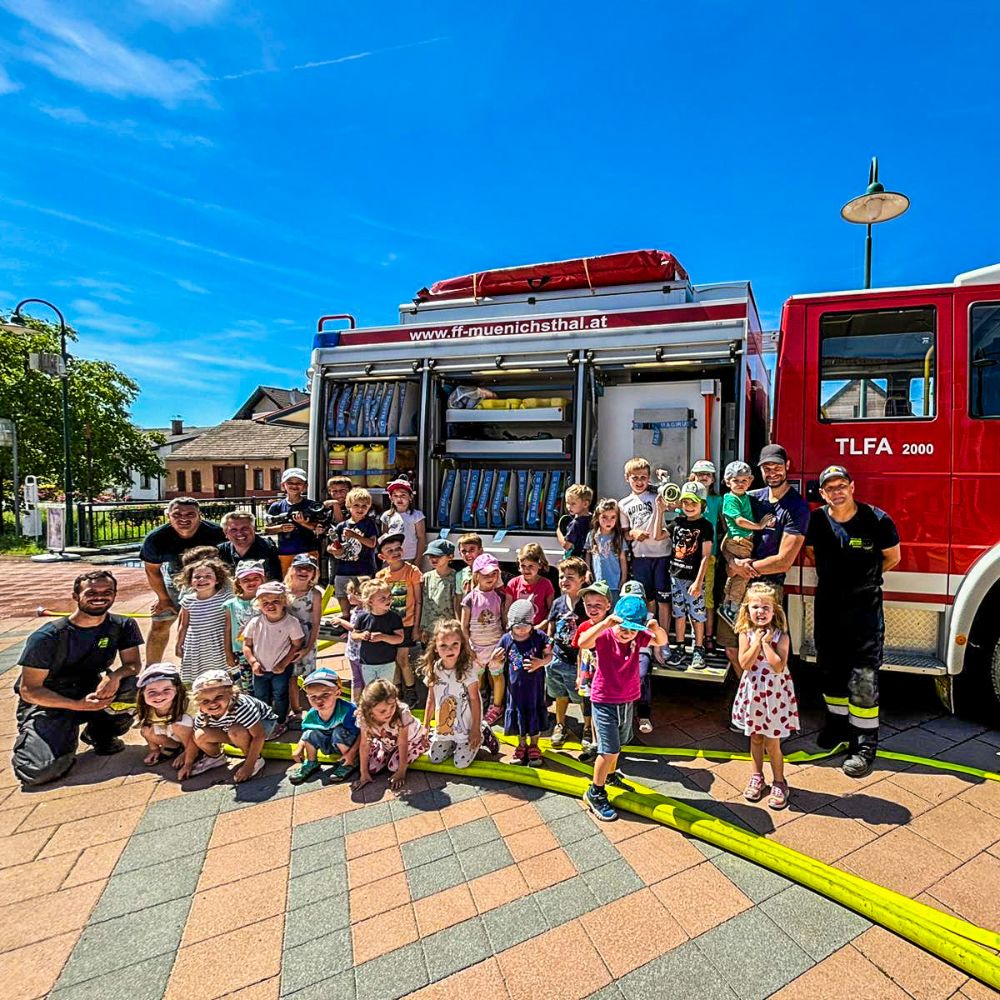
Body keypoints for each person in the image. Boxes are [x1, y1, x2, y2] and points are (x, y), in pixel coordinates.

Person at [805, 465, 900, 777]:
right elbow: (810, 553)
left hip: (864, 607)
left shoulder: (877, 519)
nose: (837, 492)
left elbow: (892, 557)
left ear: (852, 487)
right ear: (822, 494)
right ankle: (837, 726)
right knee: (830, 667)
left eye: (841, 485)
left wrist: (864, 581)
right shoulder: (817, 520)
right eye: (830, 488)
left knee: (863, 675)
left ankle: (864, 743)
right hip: (829, 604)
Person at [12, 571, 142, 786]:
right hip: (49, 700)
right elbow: (29, 690)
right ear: (75, 596)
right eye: (91, 593)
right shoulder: (47, 637)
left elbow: (133, 664)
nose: (100, 597)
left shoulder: (122, 625)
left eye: (107, 592)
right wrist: (76, 705)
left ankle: (101, 734)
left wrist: (114, 677)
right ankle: (48, 738)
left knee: (137, 686)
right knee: (39, 773)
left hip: (91, 690)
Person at [718, 445, 809, 673]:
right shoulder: (749, 498)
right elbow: (727, 537)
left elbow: (783, 561)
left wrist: (742, 569)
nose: (772, 472)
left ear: (787, 466)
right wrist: (731, 562)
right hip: (737, 583)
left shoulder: (797, 508)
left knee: (764, 653)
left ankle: (762, 701)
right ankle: (746, 695)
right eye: (766, 468)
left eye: (777, 467)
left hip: (767, 589)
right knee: (732, 648)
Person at [577, 593, 668, 821]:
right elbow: (582, 642)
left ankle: (609, 775)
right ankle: (595, 791)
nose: (626, 633)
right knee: (609, 750)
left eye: (632, 629)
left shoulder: (638, 638)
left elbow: (661, 641)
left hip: (626, 699)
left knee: (619, 743)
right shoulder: (606, 635)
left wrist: (655, 628)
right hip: (604, 699)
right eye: (623, 628)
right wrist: (605, 624)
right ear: (616, 620)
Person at [731, 583, 798, 809]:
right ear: (747, 610)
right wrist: (756, 643)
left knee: (772, 742)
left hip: (774, 697)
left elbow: (778, 666)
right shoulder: (745, 634)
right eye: (756, 607)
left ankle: (779, 781)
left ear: (775, 610)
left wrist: (767, 644)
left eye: (766, 607)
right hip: (754, 693)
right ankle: (757, 776)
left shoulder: (782, 637)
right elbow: (745, 663)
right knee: (756, 738)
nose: (761, 611)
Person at [140, 497, 225, 662]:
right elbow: (152, 571)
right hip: (175, 579)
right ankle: (151, 670)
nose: (184, 518)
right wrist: (163, 599)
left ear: (199, 515)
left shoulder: (217, 533)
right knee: (160, 622)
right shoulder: (156, 538)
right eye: (177, 514)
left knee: (218, 624)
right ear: (168, 516)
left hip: (211, 580)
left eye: (190, 514)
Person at [653, 481, 714, 670]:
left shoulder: (705, 526)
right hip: (676, 576)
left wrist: (698, 582)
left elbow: (705, 557)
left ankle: (699, 648)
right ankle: (680, 647)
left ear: (702, 505)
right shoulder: (678, 522)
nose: (688, 507)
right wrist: (660, 511)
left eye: (693, 503)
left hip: (693, 579)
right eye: (685, 503)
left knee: (697, 615)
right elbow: (658, 535)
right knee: (678, 614)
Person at [422, 619, 499, 769]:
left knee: (460, 763)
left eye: (454, 645)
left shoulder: (467, 670)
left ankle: (483, 730)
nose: (449, 650)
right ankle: (450, 740)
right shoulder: (434, 669)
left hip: (466, 725)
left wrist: (475, 729)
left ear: (461, 645)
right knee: (435, 758)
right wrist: (425, 726)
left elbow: (475, 699)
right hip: (446, 725)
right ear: (435, 648)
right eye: (443, 645)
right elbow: (431, 699)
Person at [178, 670, 277, 782]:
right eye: (205, 701)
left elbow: (259, 735)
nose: (213, 704)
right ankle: (215, 758)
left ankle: (256, 759)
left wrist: (249, 766)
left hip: (263, 724)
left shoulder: (241, 707)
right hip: (230, 727)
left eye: (218, 697)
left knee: (236, 731)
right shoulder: (203, 712)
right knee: (199, 735)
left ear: (230, 693)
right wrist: (188, 764)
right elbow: (193, 739)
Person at [491, 599, 551, 767]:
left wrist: (540, 662)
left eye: (525, 627)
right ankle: (521, 744)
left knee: (534, 715)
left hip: (535, 690)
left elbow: (549, 656)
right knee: (518, 717)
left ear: (532, 623)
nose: (521, 631)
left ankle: (534, 744)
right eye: (517, 628)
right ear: (511, 626)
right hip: (515, 690)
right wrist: (494, 658)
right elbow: (494, 662)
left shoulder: (539, 637)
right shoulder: (506, 639)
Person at [618, 457, 672, 642]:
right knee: (647, 598)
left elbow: (670, 492)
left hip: (662, 553)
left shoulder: (656, 495)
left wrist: (663, 479)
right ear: (627, 478)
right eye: (635, 478)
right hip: (640, 556)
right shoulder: (623, 504)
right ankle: (649, 638)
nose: (640, 481)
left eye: (643, 477)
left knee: (664, 598)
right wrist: (633, 533)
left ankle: (663, 638)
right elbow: (624, 533)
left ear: (649, 478)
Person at [242, 581, 305, 735]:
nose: (270, 605)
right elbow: (246, 644)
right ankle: (264, 720)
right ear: (259, 604)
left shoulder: (291, 622)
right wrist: (253, 662)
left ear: (284, 601)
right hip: (260, 668)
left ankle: (280, 720)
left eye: (275, 601)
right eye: (265, 602)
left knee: (280, 694)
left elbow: (297, 644)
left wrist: (284, 663)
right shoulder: (255, 622)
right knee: (260, 695)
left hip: (281, 668)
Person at [719, 461, 775, 623]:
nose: (740, 484)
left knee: (735, 573)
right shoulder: (730, 499)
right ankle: (733, 608)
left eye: (744, 480)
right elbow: (739, 521)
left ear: (750, 481)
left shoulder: (744, 497)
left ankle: (727, 603)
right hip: (739, 540)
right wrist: (759, 526)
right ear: (728, 482)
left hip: (741, 540)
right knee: (743, 574)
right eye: (736, 480)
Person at [351, 678, 429, 792]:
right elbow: (364, 743)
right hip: (388, 742)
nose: (389, 712)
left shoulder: (402, 713)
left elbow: (403, 742)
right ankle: (386, 750)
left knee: (394, 767)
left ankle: (419, 747)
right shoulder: (363, 717)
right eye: (382, 711)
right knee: (371, 768)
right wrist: (363, 773)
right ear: (369, 710)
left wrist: (402, 771)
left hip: (412, 739)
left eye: (392, 706)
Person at [288, 667, 361, 785]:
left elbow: (362, 733)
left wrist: (352, 752)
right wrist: (299, 748)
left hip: (348, 744)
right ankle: (311, 762)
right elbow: (306, 732)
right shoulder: (312, 714)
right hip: (328, 743)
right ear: (308, 697)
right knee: (309, 733)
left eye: (325, 695)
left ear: (338, 693)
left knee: (338, 732)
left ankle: (350, 762)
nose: (319, 700)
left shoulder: (347, 710)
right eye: (313, 697)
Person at [375, 531, 423, 702]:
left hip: (407, 623)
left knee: (402, 658)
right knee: (391, 658)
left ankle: (411, 692)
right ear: (382, 556)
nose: (395, 553)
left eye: (398, 548)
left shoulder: (412, 571)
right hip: (387, 625)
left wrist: (416, 627)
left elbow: (418, 601)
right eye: (390, 550)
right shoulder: (381, 576)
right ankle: (396, 690)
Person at [545, 557, 587, 748]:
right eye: (562, 576)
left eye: (570, 576)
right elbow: (551, 628)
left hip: (577, 661)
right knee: (559, 694)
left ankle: (587, 727)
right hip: (557, 658)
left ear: (582, 579)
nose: (564, 580)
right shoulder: (558, 603)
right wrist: (548, 649)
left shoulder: (586, 604)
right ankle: (560, 724)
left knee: (580, 697)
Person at [461, 553, 506, 725]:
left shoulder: (498, 597)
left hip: (495, 645)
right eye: (485, 574)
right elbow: (463, 626)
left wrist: (503, 644)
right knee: (477, 678)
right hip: (476, 647)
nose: (490, 578)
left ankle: (496, 707)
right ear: (476, 575)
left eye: (494, 574)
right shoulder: (470, 598)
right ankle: (479, 703)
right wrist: (468, 648)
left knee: (497, 675)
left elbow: (502, 621)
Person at [174, 557, 233, 684]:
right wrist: (179, 644)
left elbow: (229, 625)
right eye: (197, 576)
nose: (202, 579)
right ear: (190, 581)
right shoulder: (188, 600)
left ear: (217, 579)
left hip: (218, 643)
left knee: (222, 675)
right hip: (196, 644)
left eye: (208, 575)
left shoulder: (225, 597)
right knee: (199, 678)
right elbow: (183, 625)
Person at [573, 581, 614, 757]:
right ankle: (596, 740)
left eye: (598, 605)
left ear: (608, 606)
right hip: (589, 675)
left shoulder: (612, 627)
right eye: (589, 605)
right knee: (591, 706)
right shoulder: (583, 626)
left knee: (606, 709)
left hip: (606, 677)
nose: (593, 609)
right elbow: (580, 651)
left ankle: (607, 741)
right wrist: (578, 676)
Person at [328, 486, 379, 617]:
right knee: (342, 595)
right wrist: (333, 550)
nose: (360, 509)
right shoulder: (341, 526)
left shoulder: (369, 524)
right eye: (356, 505)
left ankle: (361, 620)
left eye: (364, 506)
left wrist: (355, 536)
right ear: (349, 505)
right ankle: (345, 618)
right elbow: (332, 546)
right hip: (342, 569)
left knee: (363, 597)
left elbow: (372, 543)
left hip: (363, 570)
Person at [284, 554, 324, 721]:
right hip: (286, 642)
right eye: (299, 568)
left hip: (307, 640)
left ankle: (316, 707)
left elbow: (316, 622)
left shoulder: (314, 594)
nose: (303, 572)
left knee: (310, 676)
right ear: (292, 570)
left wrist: (308, 646)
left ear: (314, 573)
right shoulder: (282, 591)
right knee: (291, 676)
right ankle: (296, 709)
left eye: (308, 569)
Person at [689, 460, 723, 653]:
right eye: (699, 474)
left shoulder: (717, 501)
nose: (703, 478)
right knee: (690, 597)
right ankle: (696, 637)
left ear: (713, 479)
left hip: (708, 557)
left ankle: (708, 637)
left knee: (707, 598)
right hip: (687, 558)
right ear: (692, 476)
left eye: (707, 475)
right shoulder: (686, 500)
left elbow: (724, 526)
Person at [264, 467, 325, 575]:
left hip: (309, 551)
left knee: (310, 581)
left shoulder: (312, 506)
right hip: (285, 552)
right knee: (289, 583)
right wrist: (280, 528)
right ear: (283, 485)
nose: (294, 486)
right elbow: (267, 529)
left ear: (305, 486)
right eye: (290, 483)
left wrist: (304, 523)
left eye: (299, 483)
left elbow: (318, 528)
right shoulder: (276, 506)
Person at [135, 662, 194, 769]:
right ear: (142, 694)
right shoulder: (146, 709)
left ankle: (190, 751)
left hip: (192, 736)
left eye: (166, 690)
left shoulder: (188, 703)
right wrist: (154, 748)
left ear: (177, 690)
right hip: (172, 734)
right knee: (146, 729)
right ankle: (172, 746)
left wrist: (188, 762)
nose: (159, 696)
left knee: (179, 724)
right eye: (152, 692)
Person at [224, 561, 267, 689]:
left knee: (265, 680)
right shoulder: (231, 604)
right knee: (247, 684)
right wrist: (228, 652)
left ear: (262, 579)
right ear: (238, 582)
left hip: (266, 648)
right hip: (242, 650)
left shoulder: (268, 600)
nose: (251, 582)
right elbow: (228, 629)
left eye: (256, 578)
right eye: (246, 579)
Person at [354, 579, 405, 685]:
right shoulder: (363, 618)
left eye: (389, 596)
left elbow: (400, 638)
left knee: (385, 689)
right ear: (370, 601)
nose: (388, 600)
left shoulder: (394, 618)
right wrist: (361, 635)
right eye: (383, 598)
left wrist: (382, 637)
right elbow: (354, 635)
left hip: (387, 662)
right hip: (367, 663)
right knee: (371, 690)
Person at [326, 578, 366, 703]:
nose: (348, 596)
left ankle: (361, 702)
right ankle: (355, 703)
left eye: (350, 593)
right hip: (352, 651)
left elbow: (356, 629)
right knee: (356, 678)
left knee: (361, 679)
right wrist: (347, 633)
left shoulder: (364, 612)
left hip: (361, 653)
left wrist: (341, 622)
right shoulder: (355, 610)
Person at [216, 511, 282, 581]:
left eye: (245, 529)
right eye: (234, 530)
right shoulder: (220, 552)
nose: (239, 533)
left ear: (254, 529)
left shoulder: (268, 548)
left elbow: (275, 580)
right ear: (225, 532)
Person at [586, 498, 628, 604]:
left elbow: (623, 559)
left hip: (614, 583)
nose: (609, 521)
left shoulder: (618, 537)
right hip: (598, 583)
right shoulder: (592, 535)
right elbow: (588, 554)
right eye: (604, 517)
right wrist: (587, 571)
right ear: (597, 517)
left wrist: (623, 579)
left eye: (613, 517)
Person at [503, 542, 555, 625]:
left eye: (531, 566)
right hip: (517, 629)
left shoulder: (546, 584)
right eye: (523, 566)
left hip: (538, 630)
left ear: (540, 565)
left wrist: (540, 627)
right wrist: (509, 626)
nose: (526, 570)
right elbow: (507, 610)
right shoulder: (513, 583)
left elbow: (551, 610)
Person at [419, 537, 459, 641]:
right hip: (430, 629)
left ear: (450, 557)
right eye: (431, 556)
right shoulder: (426, 577)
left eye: (438, 556)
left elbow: (457, 606)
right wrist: (423, 627)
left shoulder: (456, 577)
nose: (433, 559)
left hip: (448, 629)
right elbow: (424, 604)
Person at [380, 477, 427, 564]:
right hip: (391, 558)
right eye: (395, 496)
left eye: (403, 495)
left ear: (410, 497)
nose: (399, 499)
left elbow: (421, 538)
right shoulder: (386, 516)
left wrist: (418, 560)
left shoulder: (417, 515)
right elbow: (384, 538)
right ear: (390, 498)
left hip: (410, 557)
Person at [556, 484, 594, 558]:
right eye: (567, 503)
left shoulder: (575, 524)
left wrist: (558, 532)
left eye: (573, 504)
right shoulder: (593, 519)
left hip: (576, 561)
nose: (569, 507)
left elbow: (566, 545)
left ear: (585, 504)